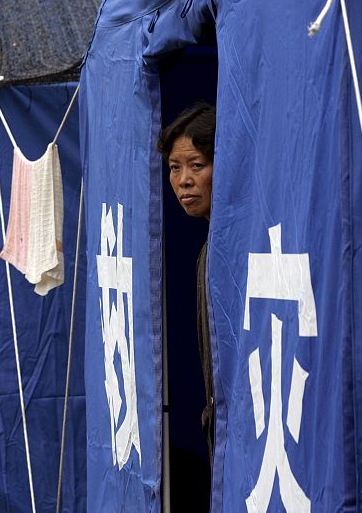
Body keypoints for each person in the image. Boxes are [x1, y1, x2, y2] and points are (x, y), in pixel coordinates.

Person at [157, 102, 216, 464]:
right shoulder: (210, 245)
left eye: (197, 165)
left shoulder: (238, 242)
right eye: (174, 168)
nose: (183, 180)